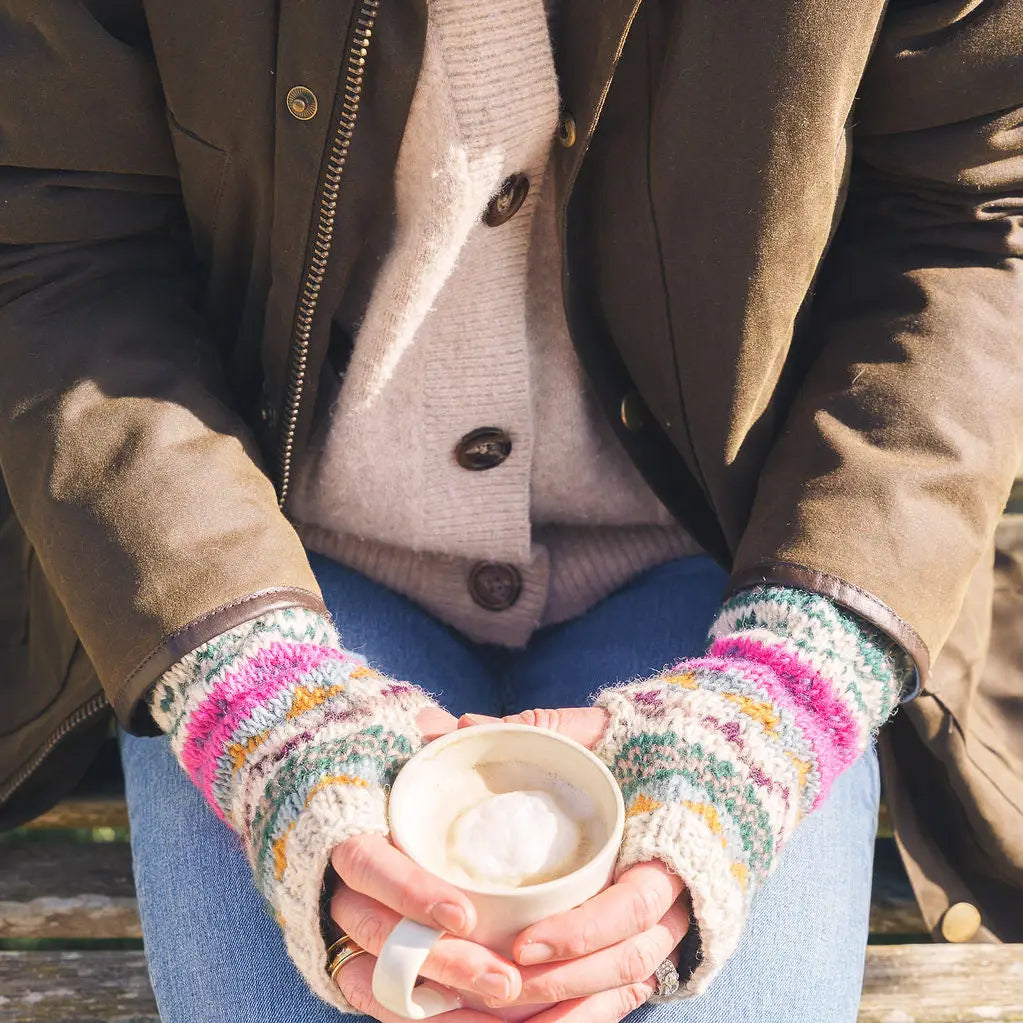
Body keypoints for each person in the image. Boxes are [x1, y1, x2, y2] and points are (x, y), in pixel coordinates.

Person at [1, 2, 1021, 1022]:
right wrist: (257, 694)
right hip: (258, 551)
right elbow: (61, 239)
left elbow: (983, 212)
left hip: (744, 549)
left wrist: (786, 690)